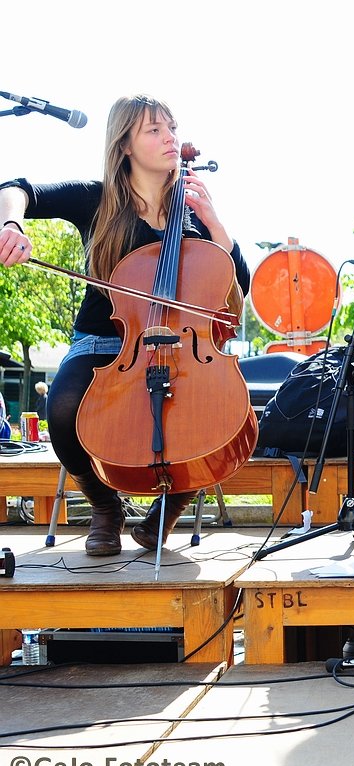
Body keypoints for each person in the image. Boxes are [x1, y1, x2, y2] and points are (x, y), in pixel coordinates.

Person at [0, 94, 250, 556]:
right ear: (125, 145)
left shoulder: (194, 211)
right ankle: (104, 506)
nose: (169, 138)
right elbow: (16, 188)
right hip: (105, 343)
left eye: (171, 128)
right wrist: (11, 223)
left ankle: (169, 508)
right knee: (63, 404)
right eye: (154, 130)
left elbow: (239, 285)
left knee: (210, 413)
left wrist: (214, 222)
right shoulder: (96, 199)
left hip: (183, 345)